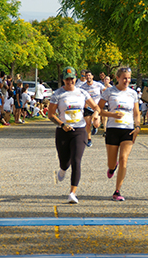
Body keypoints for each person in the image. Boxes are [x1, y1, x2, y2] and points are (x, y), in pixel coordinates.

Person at [48, 66, 101, 204]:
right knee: (65, 162)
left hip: (79, 130)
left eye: (72, 79)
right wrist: (62, 124)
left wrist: (95, 115)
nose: (69, 81)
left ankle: (72, 193)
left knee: (76, 160)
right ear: (63, 80)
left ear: (76, 78)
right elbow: (51, 114)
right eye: (67, 79)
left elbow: (96, 107)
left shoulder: (82, 92)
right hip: (63, 131)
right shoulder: (57, 94)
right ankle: (63, 169)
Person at [98, 67, 141, 201]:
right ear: (117, 78)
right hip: (113, 129)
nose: (127, 81)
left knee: (124, 159)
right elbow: (99, 109)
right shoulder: (109, 92)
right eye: (124, 78)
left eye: (129, 78)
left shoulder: (133, 93)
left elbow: (136, 112)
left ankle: (117, 191)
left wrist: (138, 126)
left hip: (128, 129)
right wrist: (112, 114)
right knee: (111, 163)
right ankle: (112, 167)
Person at [81, 71, 105, 147]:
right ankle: (89, 140)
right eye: (86, 76)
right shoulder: (83, 87)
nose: (88, 77)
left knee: (97, 124)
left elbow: (106, 91)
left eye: (89, 75)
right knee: (87, 124)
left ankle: (95, 127)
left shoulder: (98, 85)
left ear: (92, 76)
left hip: (96, 108)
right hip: (87, 108)